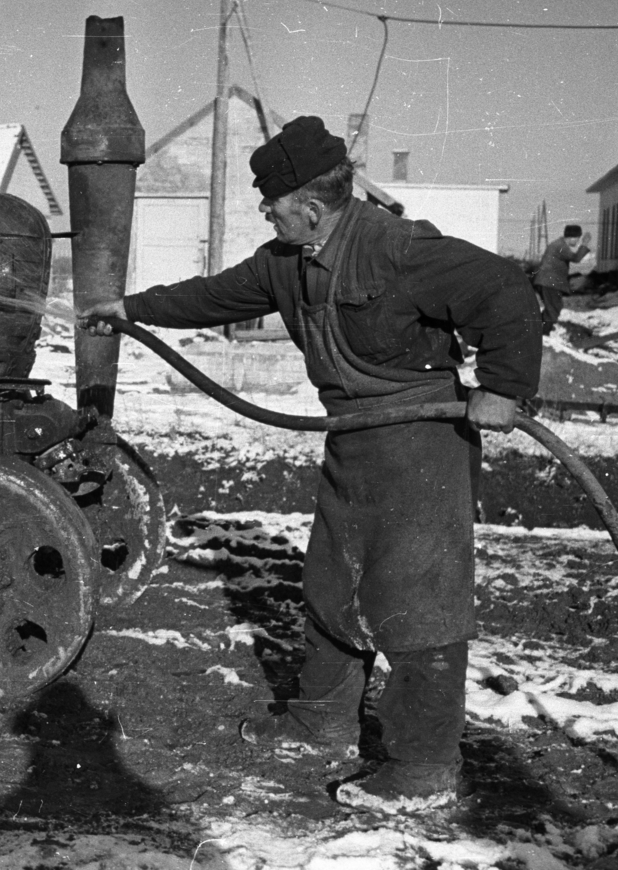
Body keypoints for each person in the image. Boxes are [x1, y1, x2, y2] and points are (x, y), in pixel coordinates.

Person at [80, 116, 541, 813]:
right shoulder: (284, 262)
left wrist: (503, 388)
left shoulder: (398, 248)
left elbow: (505, 293)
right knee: (333, 582)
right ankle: (321, 721)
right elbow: (211, 296)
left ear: (312, 206)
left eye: (272, 203)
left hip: (421, 441)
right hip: (351, 439)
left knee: (417, 604)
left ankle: (422, 767)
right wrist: (128, 309)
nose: (266, 213)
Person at [533, 225, 590, 333]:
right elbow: (576, 258)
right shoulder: (560, 246)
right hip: (549, 283)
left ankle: (535, 328)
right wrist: (585, 244)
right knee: (553, 308)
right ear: (571, 237)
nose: (578, 241)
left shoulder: (558, 244)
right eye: (577, 238)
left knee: (553, 306)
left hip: (547, 282)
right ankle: (543, 334)